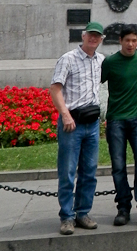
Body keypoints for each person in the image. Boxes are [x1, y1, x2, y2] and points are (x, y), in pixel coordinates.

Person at [49, 22, 105, 235]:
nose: (93, 38)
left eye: (97, 36)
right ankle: (66, 216)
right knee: (68, 172)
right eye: (90, 35)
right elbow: (55, 89)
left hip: (92, 124)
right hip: (71, 123)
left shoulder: (101, 60)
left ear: (101, 39)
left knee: (89, 172)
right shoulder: (68, 59)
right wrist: (65, 114)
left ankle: (82, 213)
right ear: (83, 36)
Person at [101, 24, 137, 228]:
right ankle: (123, 207)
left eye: (134, 40)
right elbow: (96, 79)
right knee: (118, 167)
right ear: (120, 41)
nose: (131, 44)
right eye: (127, 40)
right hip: (116, 120)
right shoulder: (111, 62)